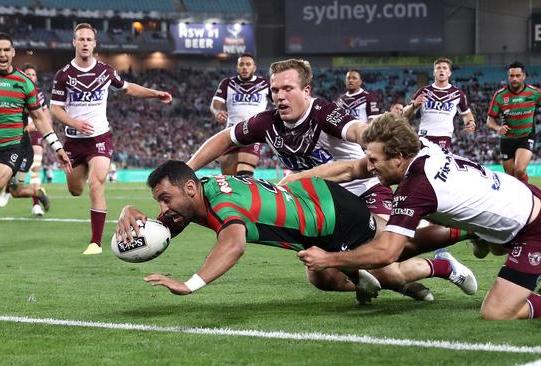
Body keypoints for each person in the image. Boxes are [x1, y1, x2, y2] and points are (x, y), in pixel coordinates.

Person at [188, 59, 467, 299]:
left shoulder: (323, 112)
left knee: (387, 261)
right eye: (275, 90)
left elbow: (355, 128)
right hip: (320, 209)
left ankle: (445, 258)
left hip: (364, 194)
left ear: (306, 91)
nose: (280, 96)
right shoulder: (267, 122)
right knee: (322, 279)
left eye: (288, 89)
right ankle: (383, 278)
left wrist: (372, 136)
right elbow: (225, 138)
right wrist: (188, 169)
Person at [296, 113, 541, 321]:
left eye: (374, 160)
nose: (369, 167)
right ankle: (478, 238)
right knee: (436, 236)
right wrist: (297, 180)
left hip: (537, 231)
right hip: (518, 200)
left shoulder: (417, 187)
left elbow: (387, 252)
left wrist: (329, 260)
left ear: (398, 158)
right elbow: (354, 168)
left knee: (497, 312)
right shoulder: (423, 146)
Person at [115, 160, 476, 302]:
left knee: (396, 257)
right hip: (312, 216)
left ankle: (462, 241)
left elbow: (234, 244)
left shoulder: (225, 207)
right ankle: (364, 276)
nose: (164, 209)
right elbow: (171, 223)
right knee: (321, 279)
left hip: (334, 216)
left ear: (189, 189)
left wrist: (189, 284)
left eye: (165, 199)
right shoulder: (199, 192)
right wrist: (137, 216)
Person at [50, 23, 172, 255]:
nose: (85, 43)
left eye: (89, 39)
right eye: (81, 39)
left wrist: (154, 94)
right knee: (75, 190)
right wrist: (74, 123)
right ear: (74, 43)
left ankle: (95, 243)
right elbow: (54, 109)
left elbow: (127, 88)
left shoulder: (105, 71)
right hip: (73, 141)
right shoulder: (63, 75)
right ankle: (80, 178)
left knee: (97, 185)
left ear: (95, 44)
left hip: (100, 139)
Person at [0, 32, 71, 259]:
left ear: (13, 53)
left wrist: (57, 146)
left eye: (6, 50)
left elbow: (39, 117)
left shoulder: (24, 83)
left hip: (11, 148)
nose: (2, 54)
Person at [486, 61, 541, 182]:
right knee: (510, 176)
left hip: (526, 136)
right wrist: (498, 128)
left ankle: (527, 193)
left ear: (524, 76)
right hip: (507, 140)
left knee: (519, 170)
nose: (514, 79)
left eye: (518, 76)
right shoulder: (500, 96)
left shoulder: (534, 93)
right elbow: (490, 120)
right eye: (511, 76)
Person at [0, 63, 51, 216]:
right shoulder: (15, 91)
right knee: (10, 168)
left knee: (35, 170)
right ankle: (9, 189)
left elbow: (46, 116)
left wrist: (38, 128)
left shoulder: (39, 94)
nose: (31, 77)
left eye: (33, 75)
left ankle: (35, 205)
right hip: (16, 134)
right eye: (28, 74)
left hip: (34, 134)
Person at [211, 53, 270, 176]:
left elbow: (278, 102)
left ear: (254, 67)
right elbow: (215, 103)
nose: (244, 67)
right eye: (241, 64)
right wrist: (217, 112)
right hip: (231, 132)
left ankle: (246, 192)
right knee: (228, 178)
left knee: (244, 176)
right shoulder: (227, 83)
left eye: (248, 64)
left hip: (253, 132)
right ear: (237, 67)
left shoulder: (265, 84)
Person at [402, 58, 475, 151]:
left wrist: (470, 122)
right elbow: (404, 115)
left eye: (445, 68)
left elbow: (466, 113)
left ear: (449, 73)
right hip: (424, 136)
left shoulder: (457, 93)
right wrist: (414, 105)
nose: (441, 70)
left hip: (444, 136)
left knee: (438, 164)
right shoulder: (423, 91)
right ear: (434, 72)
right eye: (438, 68)